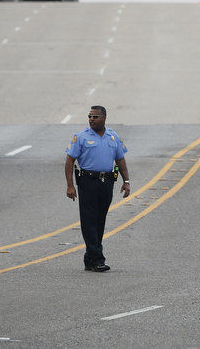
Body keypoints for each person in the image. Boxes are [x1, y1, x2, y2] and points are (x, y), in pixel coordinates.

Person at [64, 105, 130, 272]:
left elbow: (120, 160)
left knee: (100, 220)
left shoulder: (113, 136)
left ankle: (90, 258)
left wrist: (126, 181)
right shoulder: (81, 137)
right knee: (89, 221)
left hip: (107, 182)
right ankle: (98, 258)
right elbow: (69, 161)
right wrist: (70, 185)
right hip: (88, 182)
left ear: (104, 118)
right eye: (90, 116)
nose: (91, 119)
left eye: (95, 117)